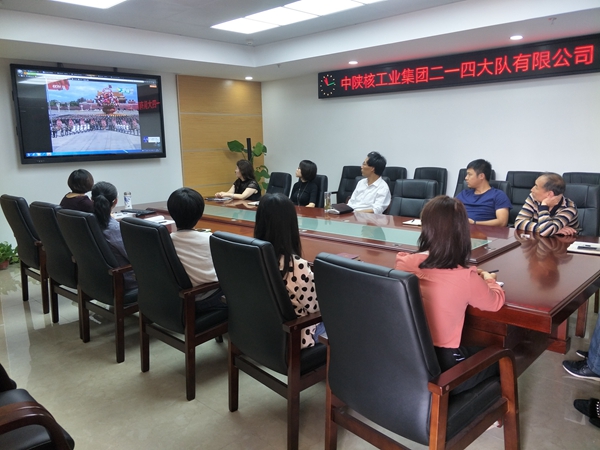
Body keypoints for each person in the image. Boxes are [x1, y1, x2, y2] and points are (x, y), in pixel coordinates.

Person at [395, 195, 505, 394]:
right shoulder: (466, 278)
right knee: (503, 359)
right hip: (443, 372)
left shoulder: (404, 262)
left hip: (408, 359)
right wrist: (489, 279)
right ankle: (490, 407)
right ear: (462, 231)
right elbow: (495, 302)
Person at [254, 193, 324, 348]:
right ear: (291, 224)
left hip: (258, 330)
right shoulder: (296, 266)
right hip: (295, 336)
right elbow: (315, 308)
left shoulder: (252, 254)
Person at [167, 187, 226, 314]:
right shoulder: (210, 240)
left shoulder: (166, 240)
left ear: (171, 213)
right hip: (204, 300)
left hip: (175, 299)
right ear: (200, 213)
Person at [91, 181, 137, 291]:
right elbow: (135, 258)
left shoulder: (87, 223)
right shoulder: (114, 229)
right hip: (125, 281)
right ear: (115, 201)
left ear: (92, 200)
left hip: (97, 280)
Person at [514, 172, 580, 237]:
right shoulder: (533, 197)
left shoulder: (569, 208)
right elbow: (518, 222)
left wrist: (544, 206)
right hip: (539, 240)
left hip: (565, 241)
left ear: (549, 194)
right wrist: (548, 229)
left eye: (536, 187)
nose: (532, 189)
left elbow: (545, 232)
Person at [456, 159, 511, 226]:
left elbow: (502, 222)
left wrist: (475, 223)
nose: (466, 178)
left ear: (481, 176)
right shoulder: (463, 194)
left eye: (469, 174)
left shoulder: (498, 195)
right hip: (459, 229)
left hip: (484, 231)